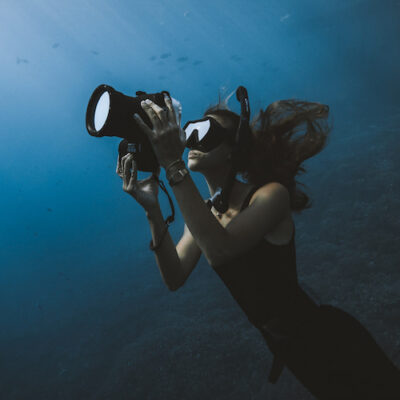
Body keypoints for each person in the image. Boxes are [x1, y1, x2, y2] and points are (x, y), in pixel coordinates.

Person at [116, 92, 400, 399]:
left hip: (329, 340)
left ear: (231, 151)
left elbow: (220, 250)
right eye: (192, 131)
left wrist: (172, 163)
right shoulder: (207, 215)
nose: (193, 140)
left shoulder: (270, 195)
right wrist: (152, 211)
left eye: (207, 132)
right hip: (292, 351)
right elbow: (175, 277)